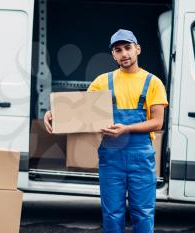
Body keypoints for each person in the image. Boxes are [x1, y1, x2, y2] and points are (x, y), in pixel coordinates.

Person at [44, 29, 168, 233]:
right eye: (118, 50)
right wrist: (54, 113)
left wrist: (126, 128)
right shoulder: (103, 81)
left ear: (137, 49)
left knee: (143, 213)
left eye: (128, 48)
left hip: (141, 157)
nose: (124, 54)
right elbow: (81, 111)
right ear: (113, 55)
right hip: (112, 158)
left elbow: (157, 122)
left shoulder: (153, 83)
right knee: (112, 214)